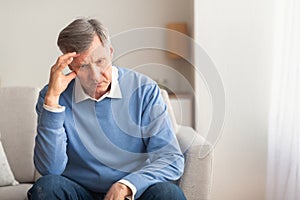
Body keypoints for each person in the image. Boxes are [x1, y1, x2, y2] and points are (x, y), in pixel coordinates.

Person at [27, 18, 186, 200]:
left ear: (110, 53)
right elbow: (50, 169)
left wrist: (127, 185)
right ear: (70, 67)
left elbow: (171, 158)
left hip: (131, 192)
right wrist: (52, 103)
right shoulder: (53, 97)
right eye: (83, 66)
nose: (95, 76)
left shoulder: (144, 90)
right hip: (79, 192)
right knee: (46, 188)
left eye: (101, 61)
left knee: (169, 194)